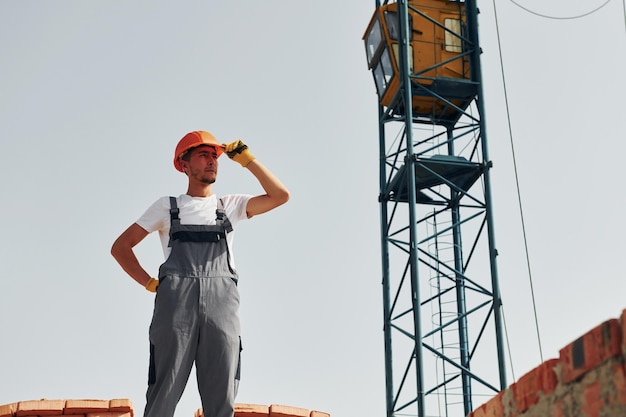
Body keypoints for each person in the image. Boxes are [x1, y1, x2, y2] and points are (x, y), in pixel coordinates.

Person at [111, 131, 289, 417]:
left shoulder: (229, 207)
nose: (212, 161)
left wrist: (248, 161)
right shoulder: (168, 207)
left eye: (215, 156)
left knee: (221, 397)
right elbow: (121, 247)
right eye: (203, 155)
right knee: (163, 392)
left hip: (222, 307)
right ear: (184, 164)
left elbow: (280, 196)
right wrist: (149, 283)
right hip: (175, 308)